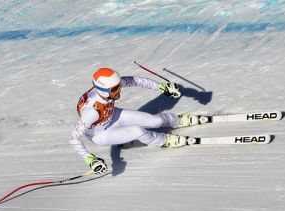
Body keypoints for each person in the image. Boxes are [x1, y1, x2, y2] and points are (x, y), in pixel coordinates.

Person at [69, 67, 202, 174]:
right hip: (101, 134)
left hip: (112, 116)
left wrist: (162, 87)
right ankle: (164, 140)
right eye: (115, 89)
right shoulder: (91, 112)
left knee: (155, 121)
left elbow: (135, 81)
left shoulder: (109, 87)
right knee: (137, 130)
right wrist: (90, 159)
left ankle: (177, 120)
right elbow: (74, 138)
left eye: (119, 85)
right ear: (103, 91)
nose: (120, 89)